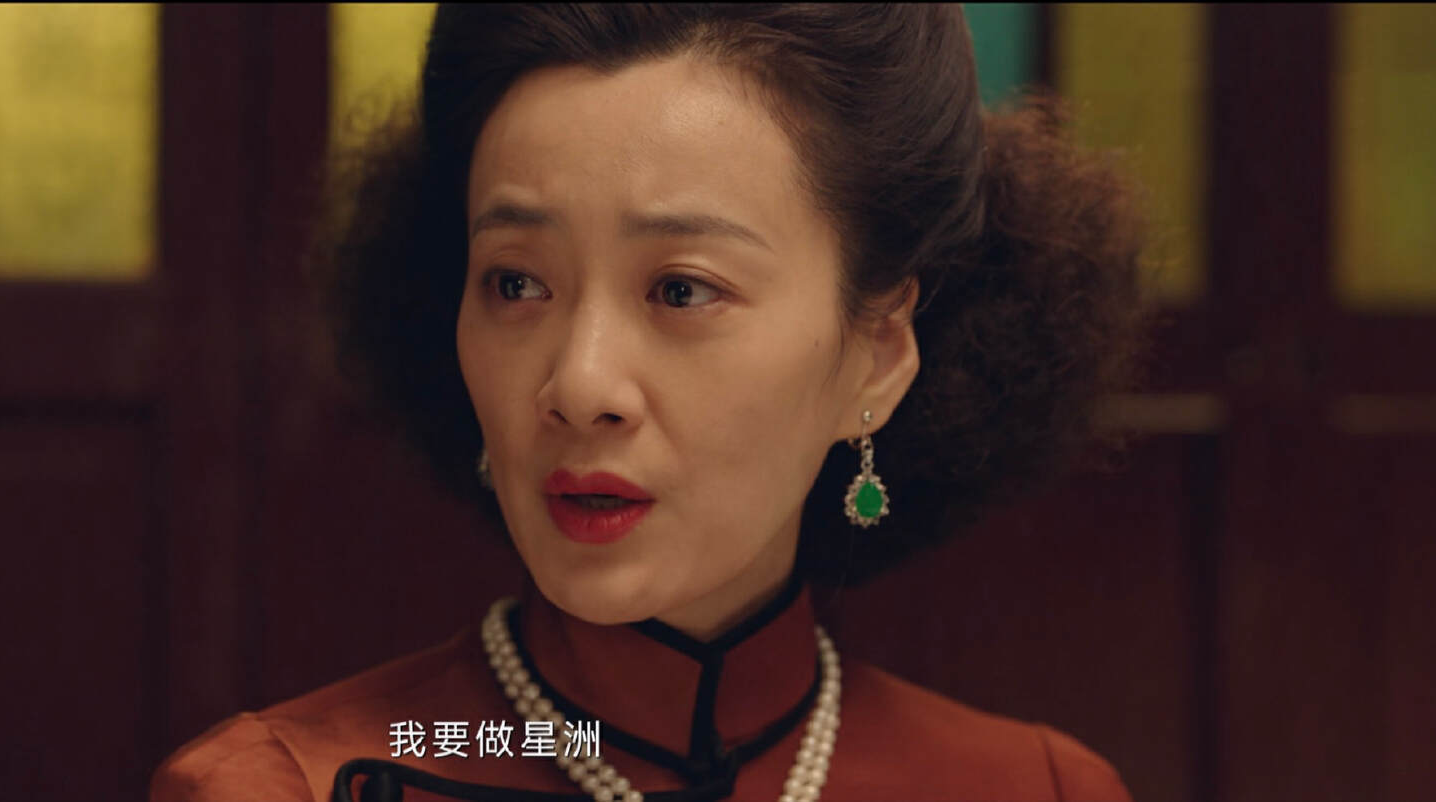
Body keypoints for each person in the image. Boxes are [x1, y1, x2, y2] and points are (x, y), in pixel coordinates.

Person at [154, 4, 1145, 800]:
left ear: (878, 355)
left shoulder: (1037, 787)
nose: (580, 385)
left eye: (680, 290)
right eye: (516, 283)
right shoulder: (289, 784)